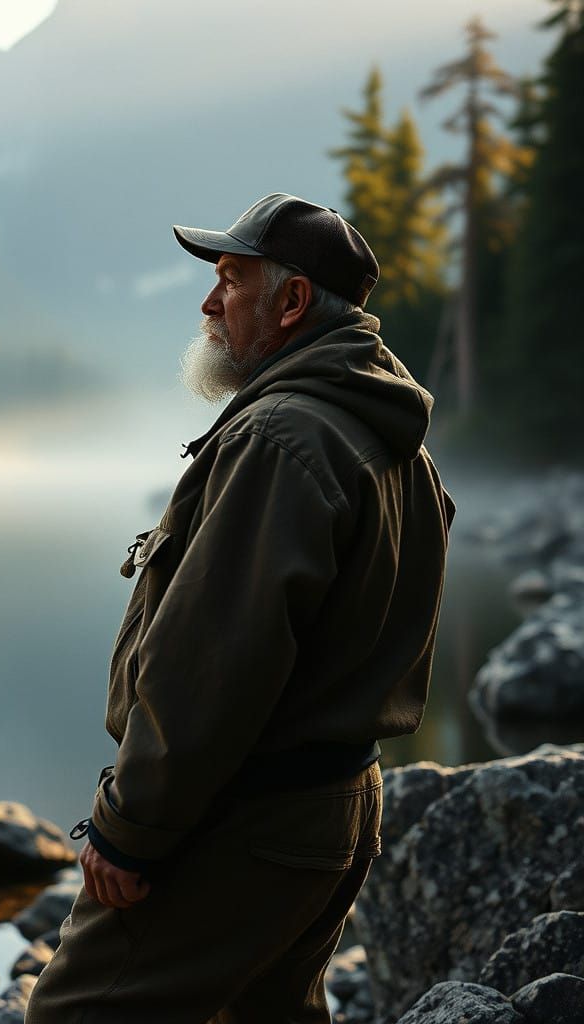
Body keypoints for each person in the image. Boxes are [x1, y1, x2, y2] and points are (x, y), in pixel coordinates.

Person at [24, 193, 455, 1024]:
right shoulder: (394, 440)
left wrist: (129, 828)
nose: (208, 301)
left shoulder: (283, 438)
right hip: (336, 806)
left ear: (292, 304)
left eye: (231, 279)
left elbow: (210, 663)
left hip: (242, 815)